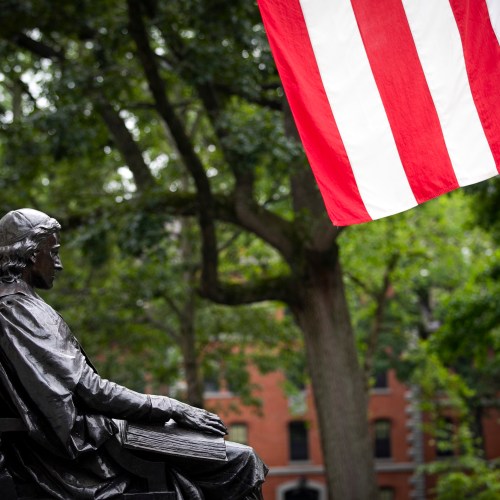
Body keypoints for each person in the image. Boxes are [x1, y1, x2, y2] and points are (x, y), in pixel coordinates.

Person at [0, 208, 267, 499]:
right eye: (53, 252)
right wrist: (171, 406)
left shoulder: (21, 306)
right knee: (241, 462)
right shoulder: (18, 310)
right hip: (83, 450)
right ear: (29, 252)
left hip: (89, 439)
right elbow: (91, 391)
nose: (59, 264)